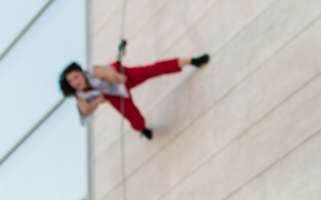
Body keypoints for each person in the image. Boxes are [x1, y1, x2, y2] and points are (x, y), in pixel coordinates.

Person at [59, 54, 210, 139]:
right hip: (113, 96)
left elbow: (109, 74)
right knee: (134, 118)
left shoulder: (93, 72)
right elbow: (85, 110)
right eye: (71, 81)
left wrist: (117, 78)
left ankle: (190, 61)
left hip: (122, 77)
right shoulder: (79, 94)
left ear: (81, 73)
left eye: (75, 77)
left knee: (152, 70)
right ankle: (142, 129)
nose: (75, 82)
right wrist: (98, 100)